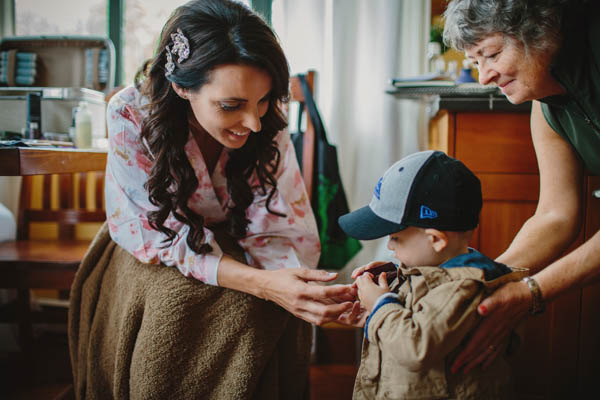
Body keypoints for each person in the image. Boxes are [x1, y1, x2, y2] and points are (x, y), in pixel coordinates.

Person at [69, 0, 355, 398]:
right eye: (231, 106)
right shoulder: (130, 115)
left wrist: (296, 284)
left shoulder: (266, 125)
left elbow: (278, 223)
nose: (254, 123)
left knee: (273, 309)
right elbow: (156, 238)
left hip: (233, 234)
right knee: (180, 300)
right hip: (149, 244)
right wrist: (263, 284)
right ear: (182, 86)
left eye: (264, 100)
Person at [442, 0, 600, 375]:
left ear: (540, 32)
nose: (483, 77)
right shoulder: (545, 104)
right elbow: (555, 215)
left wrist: (530, 293)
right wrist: (490, 279)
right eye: (475, 62)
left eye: (492, 54)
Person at [338, 150, 526, 399]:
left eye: (395, 238)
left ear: (436, 240)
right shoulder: (435, 268)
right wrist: (392, 283)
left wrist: (381, 306)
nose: (390, 246)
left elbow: (415, 347)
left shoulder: (462, 288)